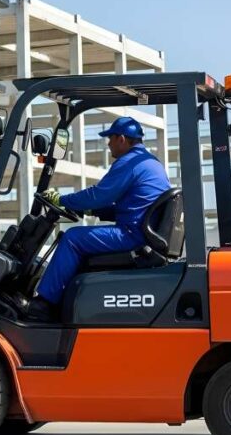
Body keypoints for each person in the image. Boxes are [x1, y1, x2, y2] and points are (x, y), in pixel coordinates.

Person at [26, 116, 170, 322]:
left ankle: (44, 304)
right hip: (142, 231)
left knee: (73, 238)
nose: (108, 143)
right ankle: (64, 299)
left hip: (133, 235)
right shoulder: (150, 162)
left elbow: (98, 195)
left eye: (110, 138)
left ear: (121, 138)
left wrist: (61, 199)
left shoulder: (130, 162)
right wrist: (93, 212)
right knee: (79, 239)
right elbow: (132, 206)